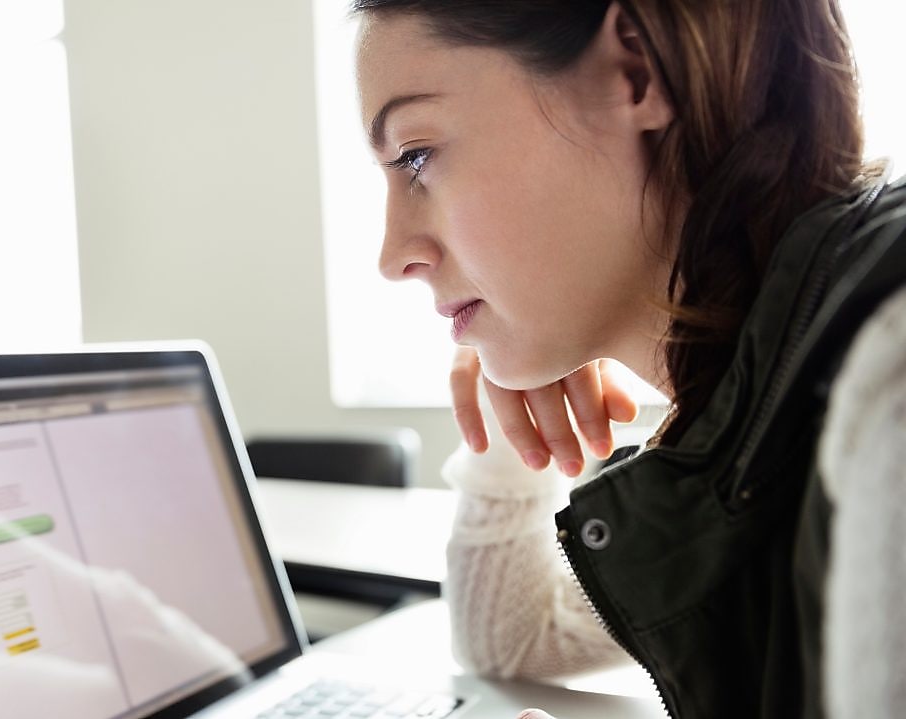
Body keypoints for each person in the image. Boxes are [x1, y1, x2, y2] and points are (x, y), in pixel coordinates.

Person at [351, 1, 906, 717]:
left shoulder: (887, 378)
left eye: (417, 155)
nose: (393, 256)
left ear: (634, 70)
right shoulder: (750, 385)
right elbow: (516, 641)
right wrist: (512, 420)